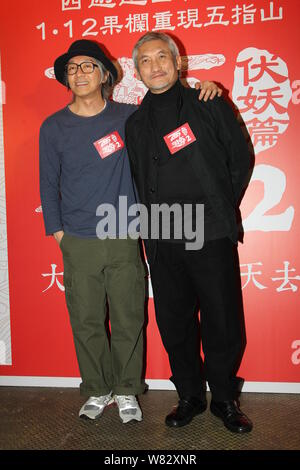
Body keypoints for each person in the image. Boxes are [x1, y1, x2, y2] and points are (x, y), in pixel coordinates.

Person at [39, 39, 221, 424]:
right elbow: (47, 183)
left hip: (123, 234)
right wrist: (58, 232)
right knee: (85, 320)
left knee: (127, 318)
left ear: (106, 74)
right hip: (78, 240)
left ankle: (125, 390)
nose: (80, 74)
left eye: (88, 66)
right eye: (72, 69)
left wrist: (207, 89)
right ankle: (96, 387)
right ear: (65, 79)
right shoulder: (53, 126)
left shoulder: (128, 117)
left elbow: (171, 112)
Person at [125, 32, 253, 433]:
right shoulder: (135, 123)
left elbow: (241, 156)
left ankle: (226, 399)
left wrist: (217, 206)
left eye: (163, 56)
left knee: (222, 316)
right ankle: (190, 395)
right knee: (174, 320)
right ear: (137, 70)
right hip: (161, 236)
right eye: (145, 60)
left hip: (208, 231)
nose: (155, 65)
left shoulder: (208, 103)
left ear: (178, 62)